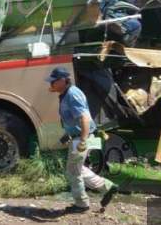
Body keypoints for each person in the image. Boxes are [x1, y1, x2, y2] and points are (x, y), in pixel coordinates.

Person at [45, 67, 118, 213]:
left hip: (84, 137)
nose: (51, 84)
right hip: (80, 136)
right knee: (76, 169)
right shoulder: (67, 93)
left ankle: (81, 204)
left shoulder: (72, 95)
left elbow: (84, 118)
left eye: (53, 81)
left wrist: (83, 140)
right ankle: (107, 187)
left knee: (73, 171)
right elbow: (74, 120)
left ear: (63, 80)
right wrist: (69, 135)